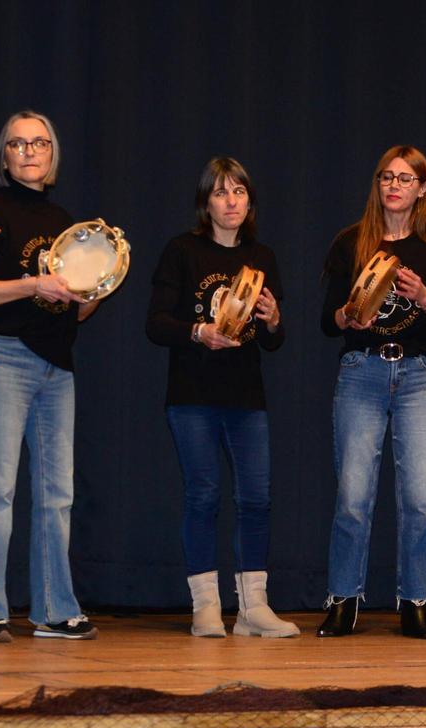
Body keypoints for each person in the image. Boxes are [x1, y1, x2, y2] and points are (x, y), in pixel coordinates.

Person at [0, 110, 97, 643]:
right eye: (18, 144)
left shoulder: (67, 222)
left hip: (57, 364)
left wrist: (90, 295)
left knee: (57, 493)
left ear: (52, 154)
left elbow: (74, 310)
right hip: (4, 357)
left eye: (39, 143)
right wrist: (32, 285)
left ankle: (55, 610)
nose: (30, 152)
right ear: (5, 155)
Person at [317, 145, 426, 639]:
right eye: (387, 177)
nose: (394, 186)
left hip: (419, 375)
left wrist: (424, 296)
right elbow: (327, 320)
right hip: (362, 371)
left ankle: (416, 602)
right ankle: (343, 599)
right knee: (353, 494)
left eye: (405, 179)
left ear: (423, 188)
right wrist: (347, 313)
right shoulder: (350, 242)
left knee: (420, 496)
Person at [146, 157, 297, 638]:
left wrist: (273, 318)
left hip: (245, 395)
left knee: (256, 498)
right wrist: (198, 331)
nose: (231, 202)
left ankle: (253, 607)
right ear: (205, 202)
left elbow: (272, 339)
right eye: (220, 192)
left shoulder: (263, 257)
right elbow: (156, 323)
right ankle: (206, 607)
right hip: (192, 394)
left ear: (250, 201)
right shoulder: (182, 251)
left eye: (239, 192)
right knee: (203, 496)